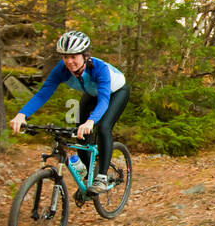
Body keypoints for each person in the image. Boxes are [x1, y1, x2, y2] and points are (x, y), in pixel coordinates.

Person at [10, 31, 129, 195]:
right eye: (65, 57)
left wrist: (91, 121)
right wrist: (22, 114)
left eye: (74, 56)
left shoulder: (99, 69)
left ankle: (101, 177)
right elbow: (43, 94)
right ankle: (89, 175)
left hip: (116, 93)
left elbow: (103, 101)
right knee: (79, 133)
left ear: (85, 55)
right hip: (91, 94)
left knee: (103, 127)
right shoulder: (61, 70)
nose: (69, 61)